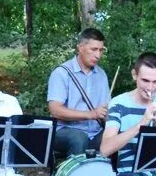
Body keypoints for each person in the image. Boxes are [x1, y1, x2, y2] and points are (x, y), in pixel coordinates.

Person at [47, 28, 110, 156]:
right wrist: (91, 114)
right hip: (65, 131)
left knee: (117, 136)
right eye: (94, 49)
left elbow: (105, 109)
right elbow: (55, 110)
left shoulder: (101, 74)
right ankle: (75, 175)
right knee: (79, 139)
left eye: (101, 50)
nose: (98, 55)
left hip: (95, 131)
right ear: (80, 48)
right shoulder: (61, 73)